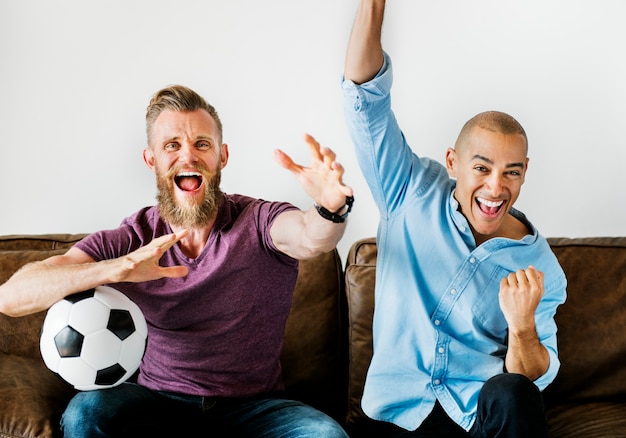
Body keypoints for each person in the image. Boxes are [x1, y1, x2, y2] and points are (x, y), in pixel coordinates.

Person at [0, 84, 352, 437]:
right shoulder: (132, 238)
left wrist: (330, 208)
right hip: (156, 402)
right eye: (172, 145)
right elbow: (10, 298)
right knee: (85, 413)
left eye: (202, 144)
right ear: (151, 159)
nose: (188, 156)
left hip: (255, 409)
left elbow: (309, 236)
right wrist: (118, 268)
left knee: (325, 434)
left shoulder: (258, 221)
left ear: (222, 156)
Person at [342, 1, 567, 437]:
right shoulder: (408, 190)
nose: (496, 187)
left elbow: (533, 379)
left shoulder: (541, 269)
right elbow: (364, 97)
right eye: (482, 168)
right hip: (394, 418)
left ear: (524, 174)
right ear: (453, 162)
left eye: (511, 173)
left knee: (514, 392)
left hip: (473, 423)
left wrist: (521, 325)